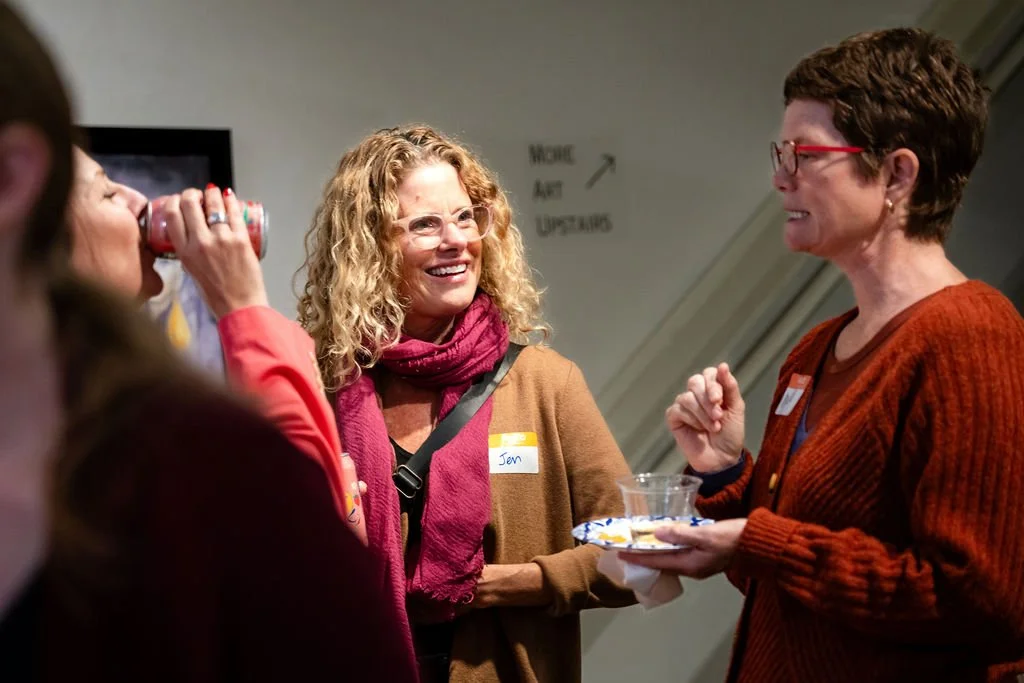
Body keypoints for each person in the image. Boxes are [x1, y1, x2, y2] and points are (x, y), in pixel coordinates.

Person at [0, 4, 415, 681]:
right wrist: (245, 307)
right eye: (104, 192)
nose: (137, 202)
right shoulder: (190, 462)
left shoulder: (183, 455)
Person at [621, 28, 1024, 683]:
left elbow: (978, 599)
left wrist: (758, 541)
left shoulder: (970, 336)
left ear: (897, 174)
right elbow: (786, 585)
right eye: (782, 153)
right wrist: (725, 474)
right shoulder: (815, 349)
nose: (781, 178)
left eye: (806, 155)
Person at [284, 124, 637, 682]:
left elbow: (636, 556)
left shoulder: (545, 384)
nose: (455, 240)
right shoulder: (322, 393)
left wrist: (504, 585)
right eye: (424, 224)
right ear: (369, 247)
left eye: (466, 217)